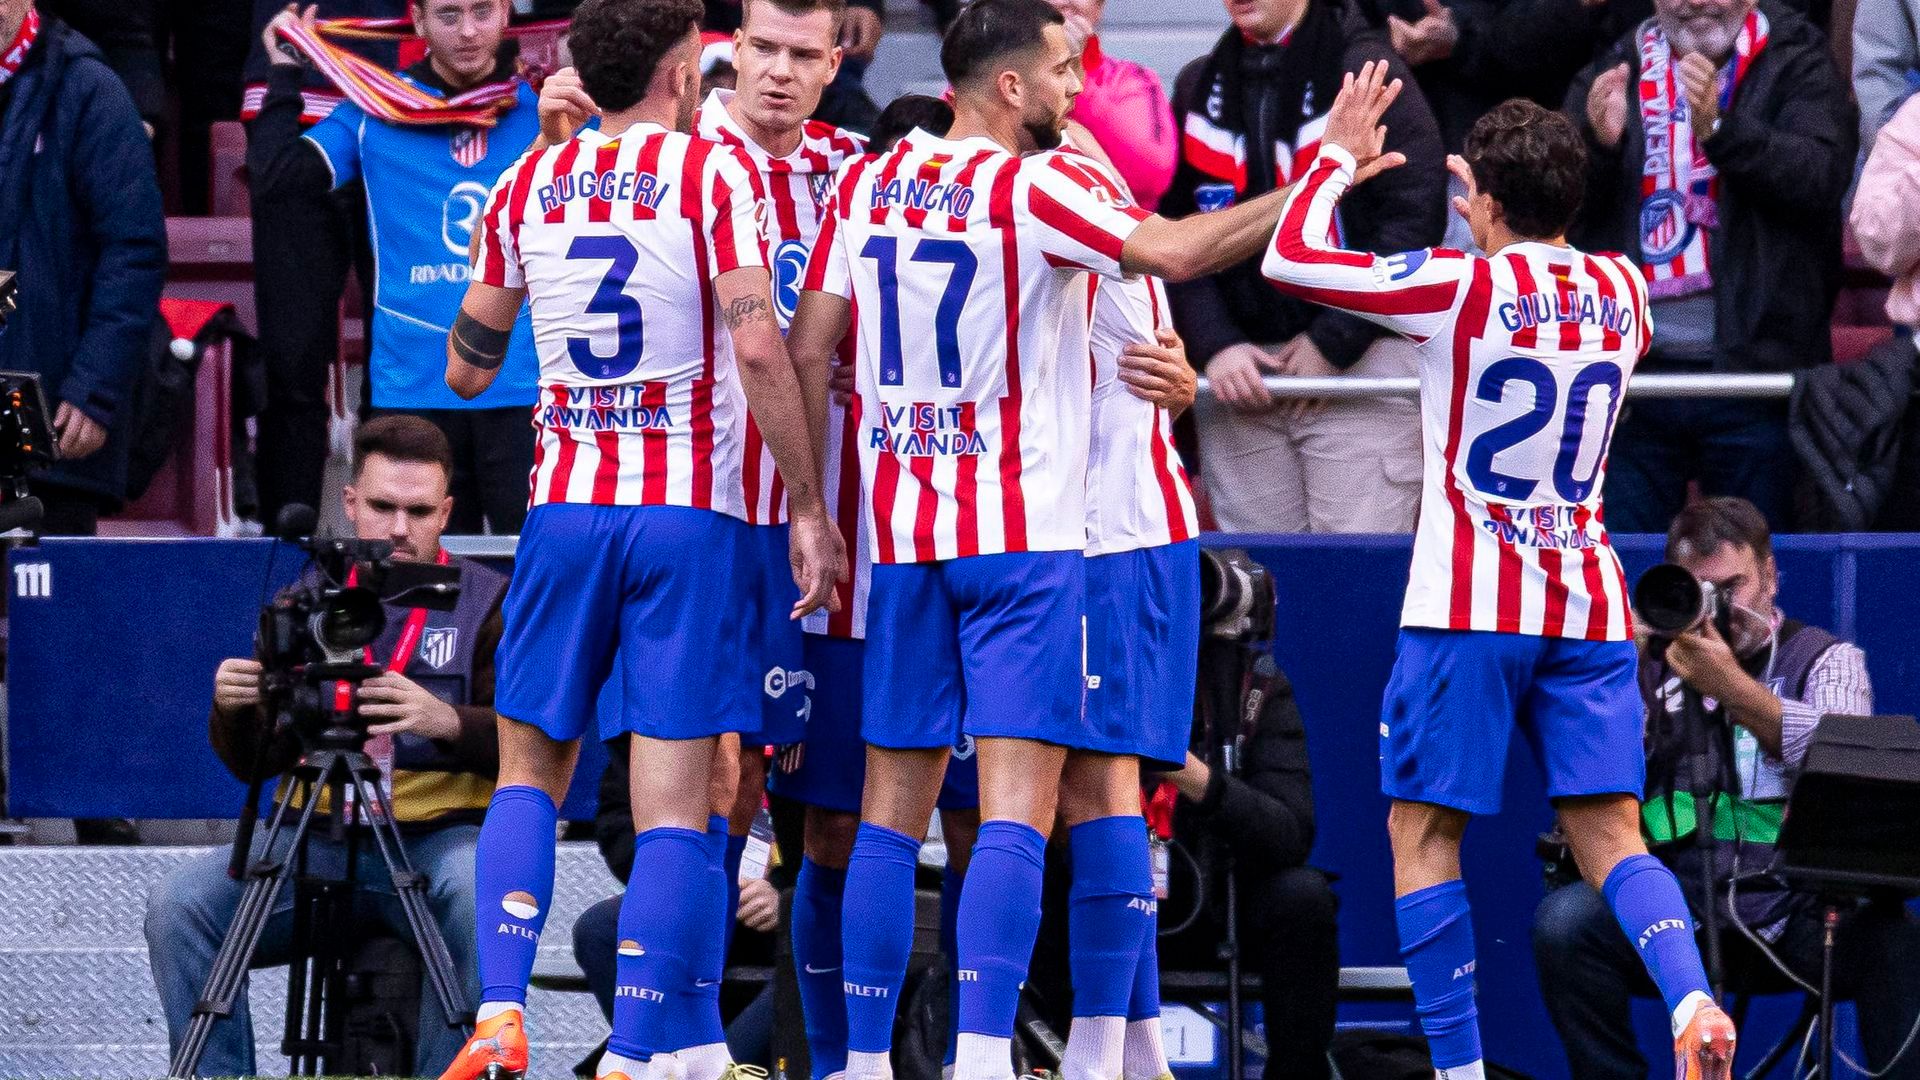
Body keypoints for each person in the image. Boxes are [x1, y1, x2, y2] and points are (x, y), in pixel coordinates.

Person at [783, 8, 1402, 1080]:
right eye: (1065, 71)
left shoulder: (869, 185)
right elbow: (1176, 248)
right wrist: (1326, 174)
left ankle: (868, 1065)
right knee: (1034, 807)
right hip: (1031, 539)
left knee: (892, 813)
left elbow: (806, 345)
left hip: (908, 536)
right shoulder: (1041, 185)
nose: (1081, 93)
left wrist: (809, 500)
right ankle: (993, 1058)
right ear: (1010, 88)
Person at [1262, 88, 1739, 1078]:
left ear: (1474, 195)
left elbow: (1291, 259)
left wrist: (1335, 163)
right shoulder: (1625, 289)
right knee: (1611, 831)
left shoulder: (1458, 286)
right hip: (1588, 595)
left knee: (1423, 831)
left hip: (1470, 602)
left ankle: (1462, 1073)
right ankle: (1692, 996)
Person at [436, 0, 843, 1074]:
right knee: (679, 797)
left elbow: (466, 366)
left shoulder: (527, 179)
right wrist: (807, 503)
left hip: (563, 511)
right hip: (686, 518)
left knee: (529, 769)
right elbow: (760, 351)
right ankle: (645, 1049)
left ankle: (502, 1010)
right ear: (680, 72)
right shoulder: (717, 176)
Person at [144, 416, 508, 1079]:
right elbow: (255, 760)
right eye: (382, 506)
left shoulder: (491, 601)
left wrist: (446, 721)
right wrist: (235, 709)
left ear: (448, 511)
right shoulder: (306, 598)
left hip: (439, 843)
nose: (399, 527)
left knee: (485, 896)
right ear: (350, 504)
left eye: (420, 510)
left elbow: (535, 747)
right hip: (312, 837)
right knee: (180, 906)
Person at [1532, 496, 1920, 1079]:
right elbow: (1588, 787)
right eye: (1698, 591)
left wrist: (1731, 687)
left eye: (1732, 587)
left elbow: (1846, 769)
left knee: (1895, 939)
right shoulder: (1638, 668)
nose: (1719, 608)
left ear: (1770, 576)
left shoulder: (1825, 661)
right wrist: (1617, 674)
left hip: (1795, 911)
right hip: (1667, 913)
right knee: (1564, 926)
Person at [777, 92, 988, 1080]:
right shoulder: (847, 230)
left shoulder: (1004, 233)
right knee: (834, 823)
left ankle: (965, 1055)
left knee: (980, 821)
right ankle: (836, 1060)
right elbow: (795, 359)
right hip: (851, 578)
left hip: (974, 565)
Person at [249, 0, 542, 535]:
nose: (469, 32)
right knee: (411, 586)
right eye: (449, 16)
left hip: (527, 388)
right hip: (410, 391)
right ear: (418, 20)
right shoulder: (376, 111)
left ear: (506, 13)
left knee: (528, 587)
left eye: (482, 12)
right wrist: (286, 75)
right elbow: (279, 181)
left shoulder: (547, 111)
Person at [1565, 0, 1854, 533]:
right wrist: (1597, 149)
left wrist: (1721, 130)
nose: (1697, 2)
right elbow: (1559, 218)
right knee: (1626, 572)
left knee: (1753, 577)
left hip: (1756, 375)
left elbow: (1819, 178)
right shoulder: (1616, 63)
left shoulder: (1797, 58)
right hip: (1636, 381)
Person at [1162, 0, 1444, 535]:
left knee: (1353, 587)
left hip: (1359, 369)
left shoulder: (1366, 70)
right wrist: (1215, 344)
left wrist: (1333, 342)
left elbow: (1414, 217)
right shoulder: (1199, 84)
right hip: (1243, 383)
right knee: (1258, 592)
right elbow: (1178, 230)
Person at [1029, 650, 1341, 1080]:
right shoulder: (1082, 673)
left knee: (1302, 898)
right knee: (1038, 881)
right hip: (1100, 908)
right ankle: (1066, 1063)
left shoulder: (1249, 685)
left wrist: (1192, 775)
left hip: (1219, 912)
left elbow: (1290, 835)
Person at [0, 0, 165, 534]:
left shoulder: (87, 89)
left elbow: (133, 251)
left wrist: (94, 388)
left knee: (47, 608)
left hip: (46, 412)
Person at [241, 0, 409, 526]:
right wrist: (281, 76)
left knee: (402, 358)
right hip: (297, 93)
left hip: (410, 108)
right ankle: (285, 563)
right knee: (292, 361)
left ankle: (402, 555)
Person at [1044, 0, 1177, 209]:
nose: (1065, 1)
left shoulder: (1131, 79)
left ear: (1099, 8)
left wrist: (1077, 75)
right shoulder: (1004, 81)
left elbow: (1152, 177)